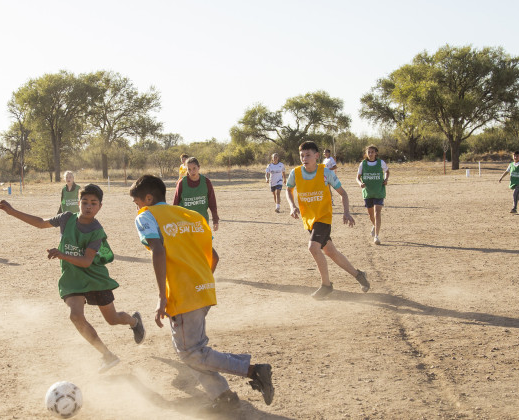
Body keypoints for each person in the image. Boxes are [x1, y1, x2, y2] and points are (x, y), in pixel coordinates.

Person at [130, 175, 274, 411]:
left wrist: (161, 297)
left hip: (183, 293)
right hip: (204, 288)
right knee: (192, 349)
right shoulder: (192, 216)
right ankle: (223, 397)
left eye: (137, 203)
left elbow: (157, 250)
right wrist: (202, 279)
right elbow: (214, 256)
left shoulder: (147, 216)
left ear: (148, 198)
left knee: (190, 353)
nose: (137, 208)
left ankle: (254, 370)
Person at [0, 184, 145, 373]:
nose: (88, 206)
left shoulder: (97, 231)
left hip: (95, 278)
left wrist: (61, 255)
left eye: (93, 203)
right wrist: (12, 211)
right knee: (75, 316)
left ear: (100, 206)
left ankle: (134, 322)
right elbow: (41, 223)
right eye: (84, 202)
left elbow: (86, 262)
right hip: (73, 279)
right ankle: (106, 355)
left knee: (113, 319)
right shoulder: (67, 218)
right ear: (79, 203)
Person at [285, 141, 370, 300]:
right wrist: (292, 206)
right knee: (330, 252)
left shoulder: (326, 173)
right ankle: (359, 275)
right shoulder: (295, 173)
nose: (304, 158)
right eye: (302, 155)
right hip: (309, 220)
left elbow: (343, 193)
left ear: (317, 156)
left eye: (308, 155)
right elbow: (288, 190)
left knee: (313, 247)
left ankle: (326, 286)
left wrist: (346, 212)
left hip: (323, 218)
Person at [172, 157, 220, 271]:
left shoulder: (206, 182)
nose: (192, 172)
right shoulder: (182, 183)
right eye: (189, 169)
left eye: (194, 168)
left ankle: (206, 280)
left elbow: (212, 202)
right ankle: (193, 282)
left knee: (213, 258)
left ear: (199, 168)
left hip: (201, 226)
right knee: (190, 258)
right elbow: (175, 205)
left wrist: (215, 220)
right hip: (185, 228)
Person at [356, 145, 390, 245]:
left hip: (379, 191)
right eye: (369, 152)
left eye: (372, 152)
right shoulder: (363, 164)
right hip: (368, 192)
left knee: (377, 212)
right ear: (366, 154)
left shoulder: (381, 162)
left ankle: (376, 236)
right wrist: (360, 183)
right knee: (371, 215)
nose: (370, 154)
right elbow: (357, 177)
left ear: (376, 153)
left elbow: (387, 171)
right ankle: (375, 225)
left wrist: (386, 179)